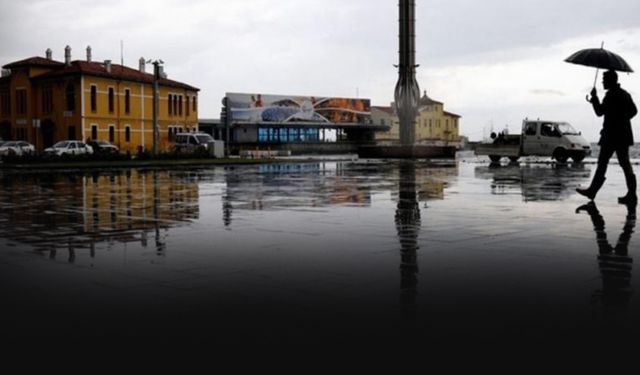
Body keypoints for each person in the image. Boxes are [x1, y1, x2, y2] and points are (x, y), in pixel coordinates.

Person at [576, 70, 638, 204]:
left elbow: (599, 112)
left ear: (611, 80)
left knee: (603, 163)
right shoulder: (624, 94)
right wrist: (623, 120)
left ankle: (592, 191)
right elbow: (634, 111)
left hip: (610, 136)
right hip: (622, 136)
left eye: (604, 80)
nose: (602, 82)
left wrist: (594, 98)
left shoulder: (610, 96)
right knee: (625, 164)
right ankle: (632, 195)